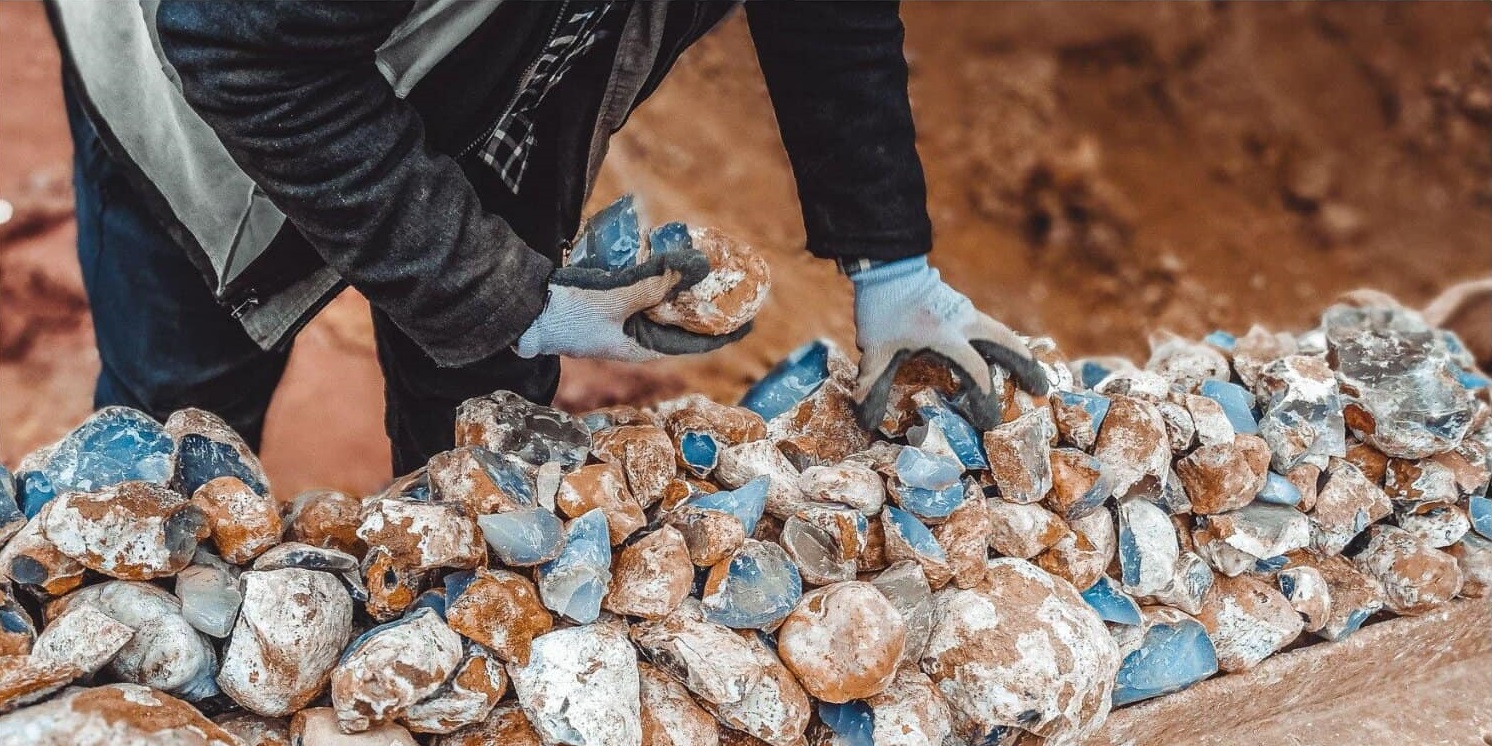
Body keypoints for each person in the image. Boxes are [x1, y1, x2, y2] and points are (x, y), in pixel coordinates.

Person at [48, 1, 1046, 476]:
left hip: (470, 47)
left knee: (484, 414)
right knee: (179, 401)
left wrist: (891, 261)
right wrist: (503, 294)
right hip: (194, 94)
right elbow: (236, 47)